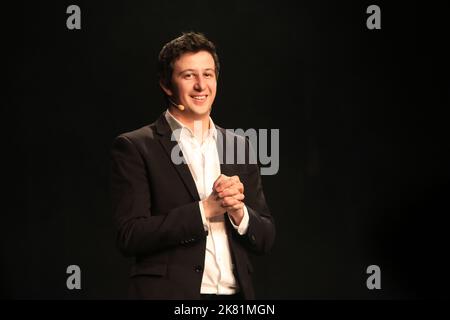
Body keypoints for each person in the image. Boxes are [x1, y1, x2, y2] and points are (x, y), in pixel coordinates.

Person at [110, 32, 275, 300]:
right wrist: (204, 210)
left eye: (208, 74)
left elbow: (266, 236)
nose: (201, 86)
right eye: (188, 75)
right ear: (166, 84)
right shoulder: (135, 146)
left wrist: (238, 212)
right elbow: (130, 235)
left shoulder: (240, 145)